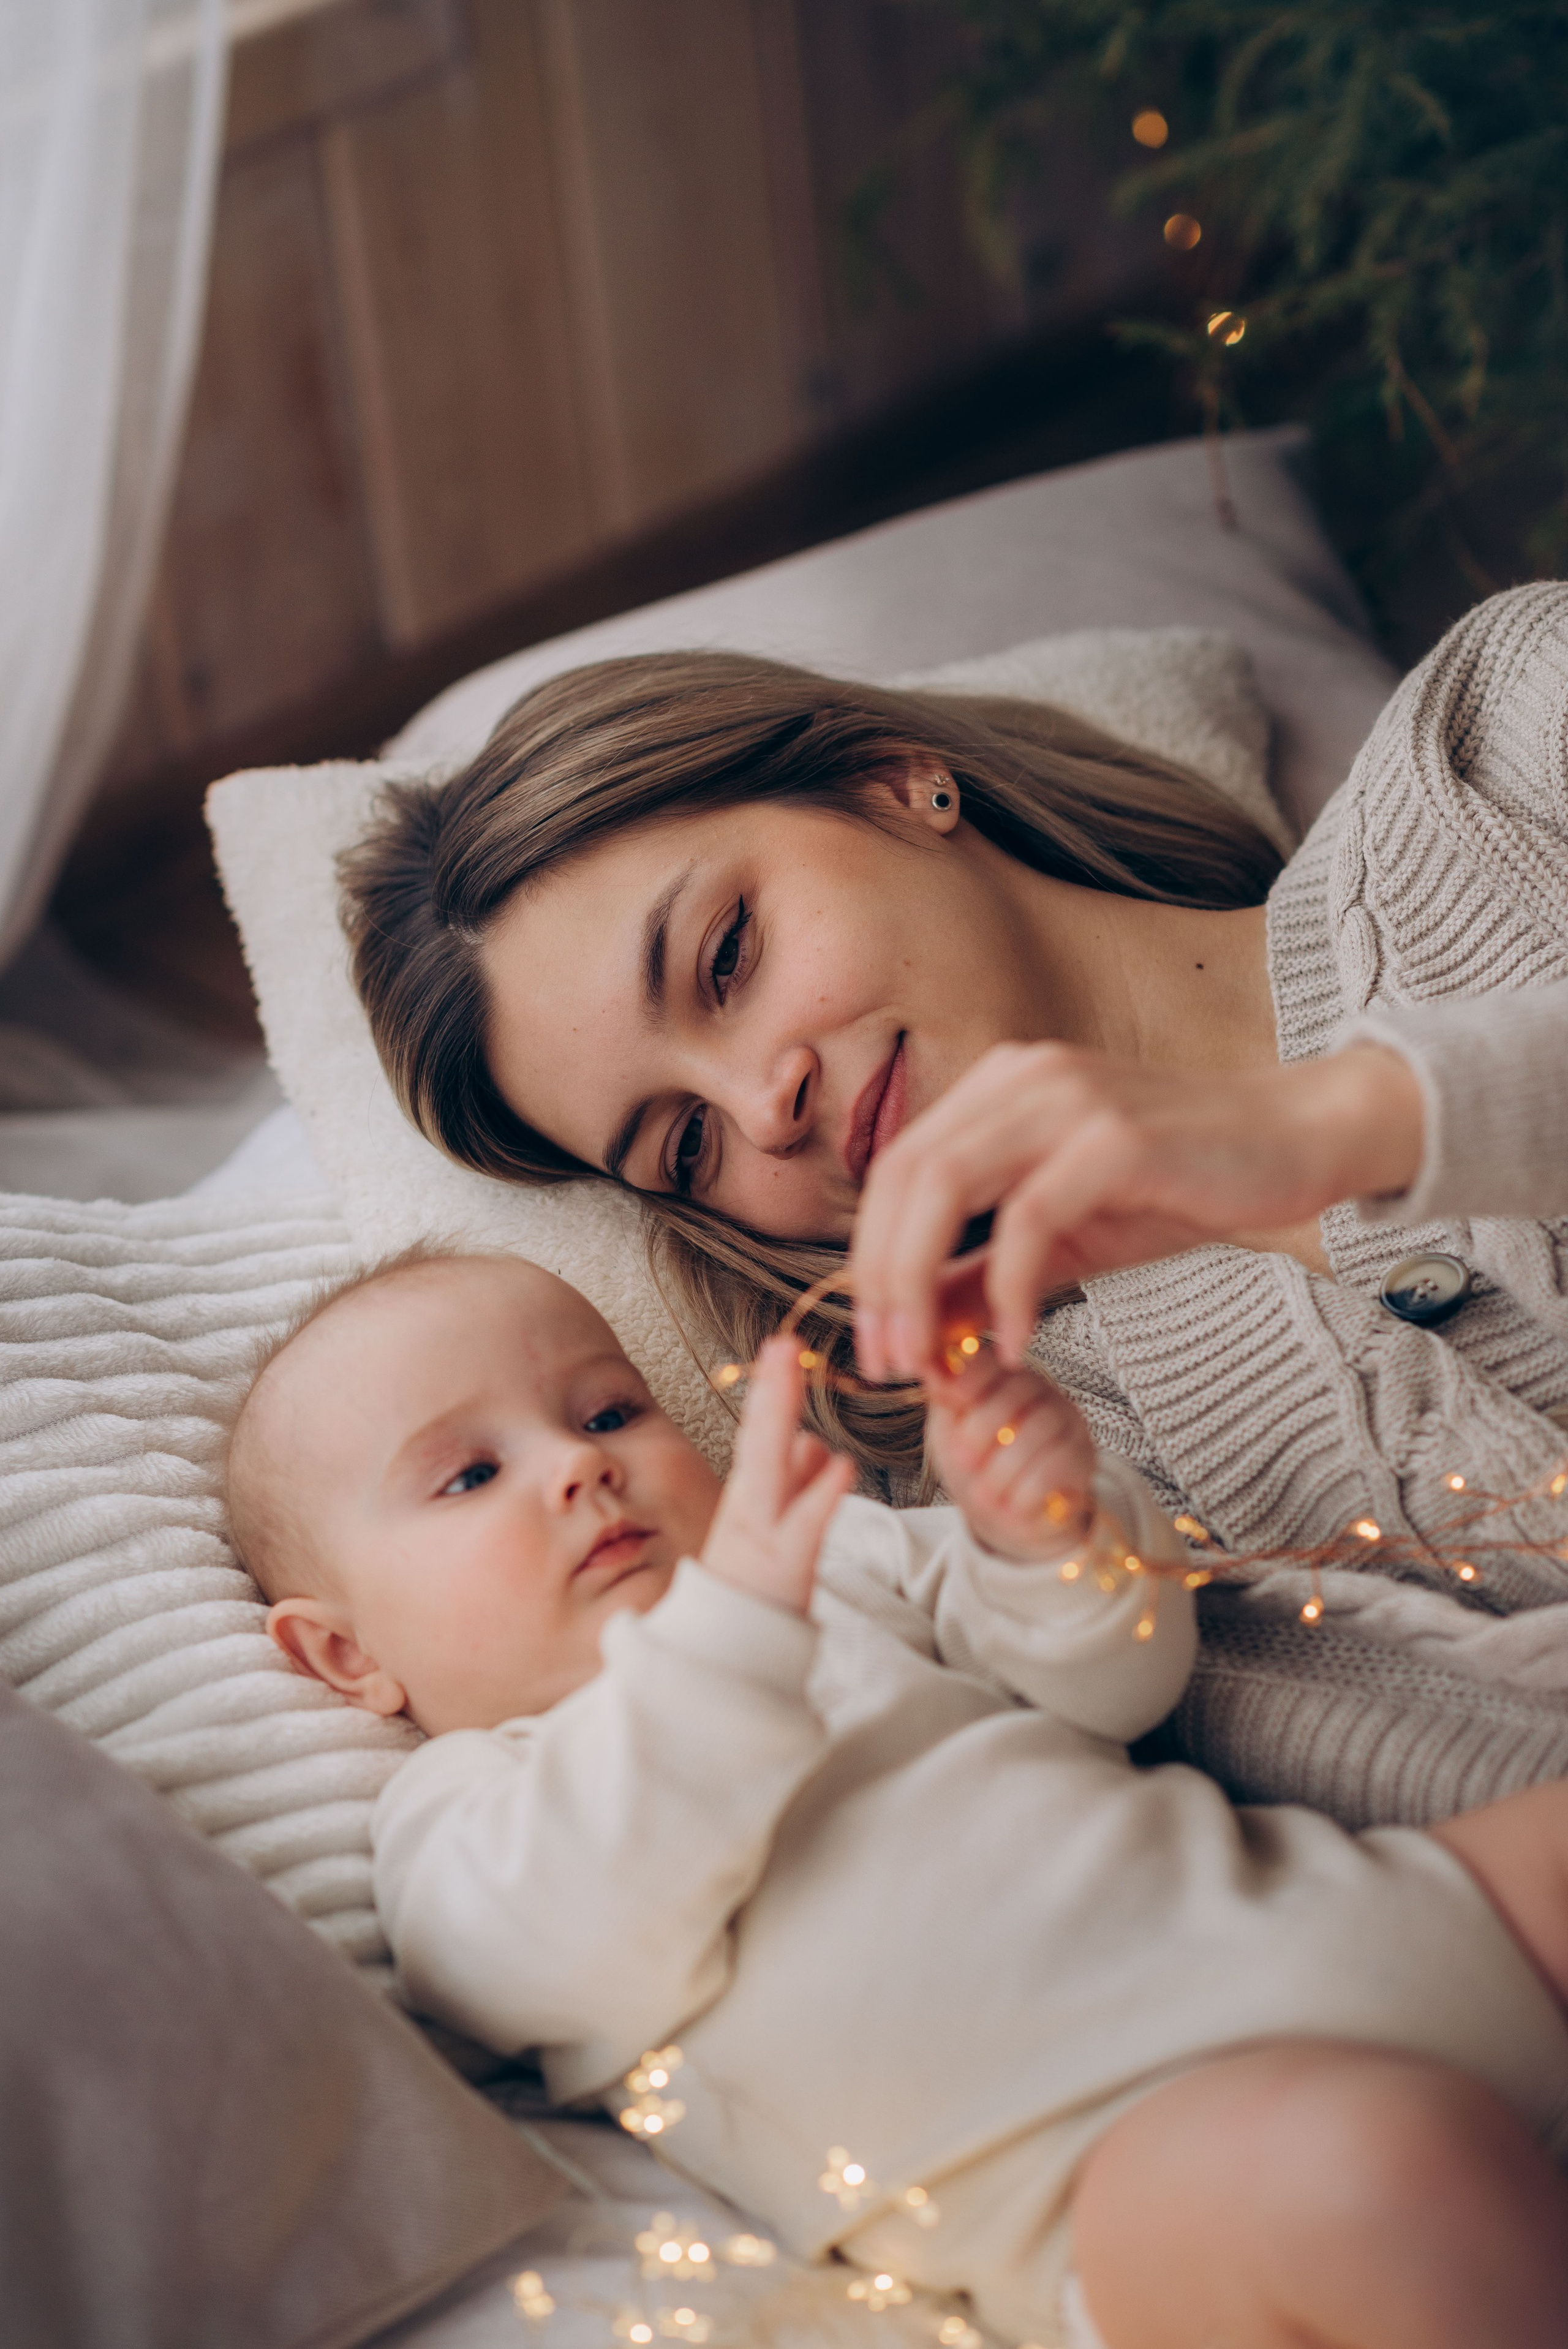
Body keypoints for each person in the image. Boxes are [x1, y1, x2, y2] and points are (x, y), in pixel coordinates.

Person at [337, 583, 1568, 1822]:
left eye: (726, 958)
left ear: (889, 779)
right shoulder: (1041, 1509)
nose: (766, 1107)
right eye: (689, 1143)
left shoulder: (1504, 739)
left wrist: (1348, 1125)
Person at [225, 1247, 1568, 2349]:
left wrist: (1043, 1527)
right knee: (1377, 2175)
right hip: (1125, 2176)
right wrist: (739, 1616)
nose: (577, 1468)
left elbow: (1112, 1679)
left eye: (603, 1411)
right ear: (346, 1654)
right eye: (470, 1474)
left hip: (1375, 1925)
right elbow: (527, 1960)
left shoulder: (848, 1562)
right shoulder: (479, 1805)